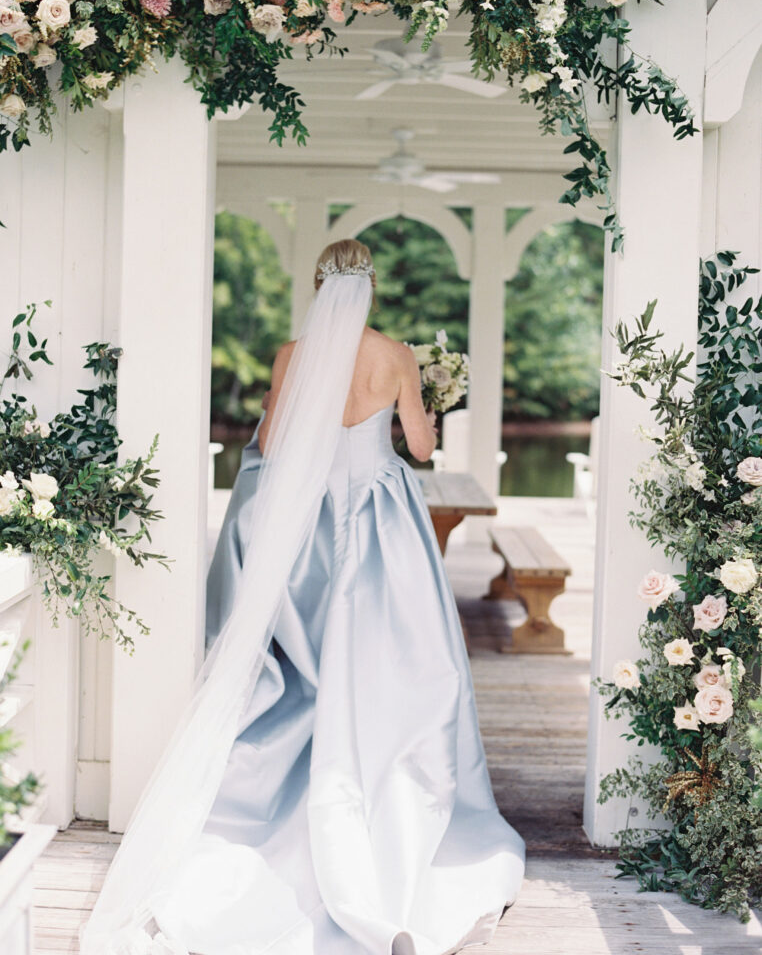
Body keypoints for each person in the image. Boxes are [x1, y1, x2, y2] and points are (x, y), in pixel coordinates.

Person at [81, 239, 525, 955]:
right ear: (370, 287)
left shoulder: (292, 356)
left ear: (320, 286)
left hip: (308, 520)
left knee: (305, 660)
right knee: (401, 658)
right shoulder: (398, 357)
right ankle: (381, 789)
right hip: (379, 519)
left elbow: (275, 440)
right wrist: (424, 416)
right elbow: (416, 448)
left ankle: (291, 788)